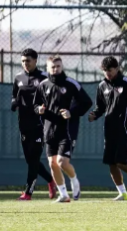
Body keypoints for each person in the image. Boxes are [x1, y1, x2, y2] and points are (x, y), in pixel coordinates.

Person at [34, 55, 92, 203]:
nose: (55, 69)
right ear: (47, 68)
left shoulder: (71, 84)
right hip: (49, 130)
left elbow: (86, 102)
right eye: (52, 67)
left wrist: (71, 112)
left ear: (62, 67)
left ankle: (74, 180)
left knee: (62, 162)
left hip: (67, 130)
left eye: (58, 66)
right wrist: (39, 109)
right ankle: (63, 194)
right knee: (52, 163)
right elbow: (35, 105)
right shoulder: (43, 85)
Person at [89, 56, 127, 201]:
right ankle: (122, 193)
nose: (107, 73)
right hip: (110, 128)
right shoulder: (102, 86)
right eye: (105, 70)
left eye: (110, 70)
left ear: (117, 69)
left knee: (121, 161)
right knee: (111, 162)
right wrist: (94, 114)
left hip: (126, 128)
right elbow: (100, 107)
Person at [11, 49, 57, 200]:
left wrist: (45, 108)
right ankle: (50, 180)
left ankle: (28, 192)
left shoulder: (44, 77)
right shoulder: (18, 78)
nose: (25, 63)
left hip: (40, 124)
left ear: (35, 61)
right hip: (24, 124)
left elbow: (53, 97)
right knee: (30, 160)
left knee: (34, 159)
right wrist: (14, 103)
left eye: (28, 61)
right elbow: (14, 96)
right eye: (23, 61)